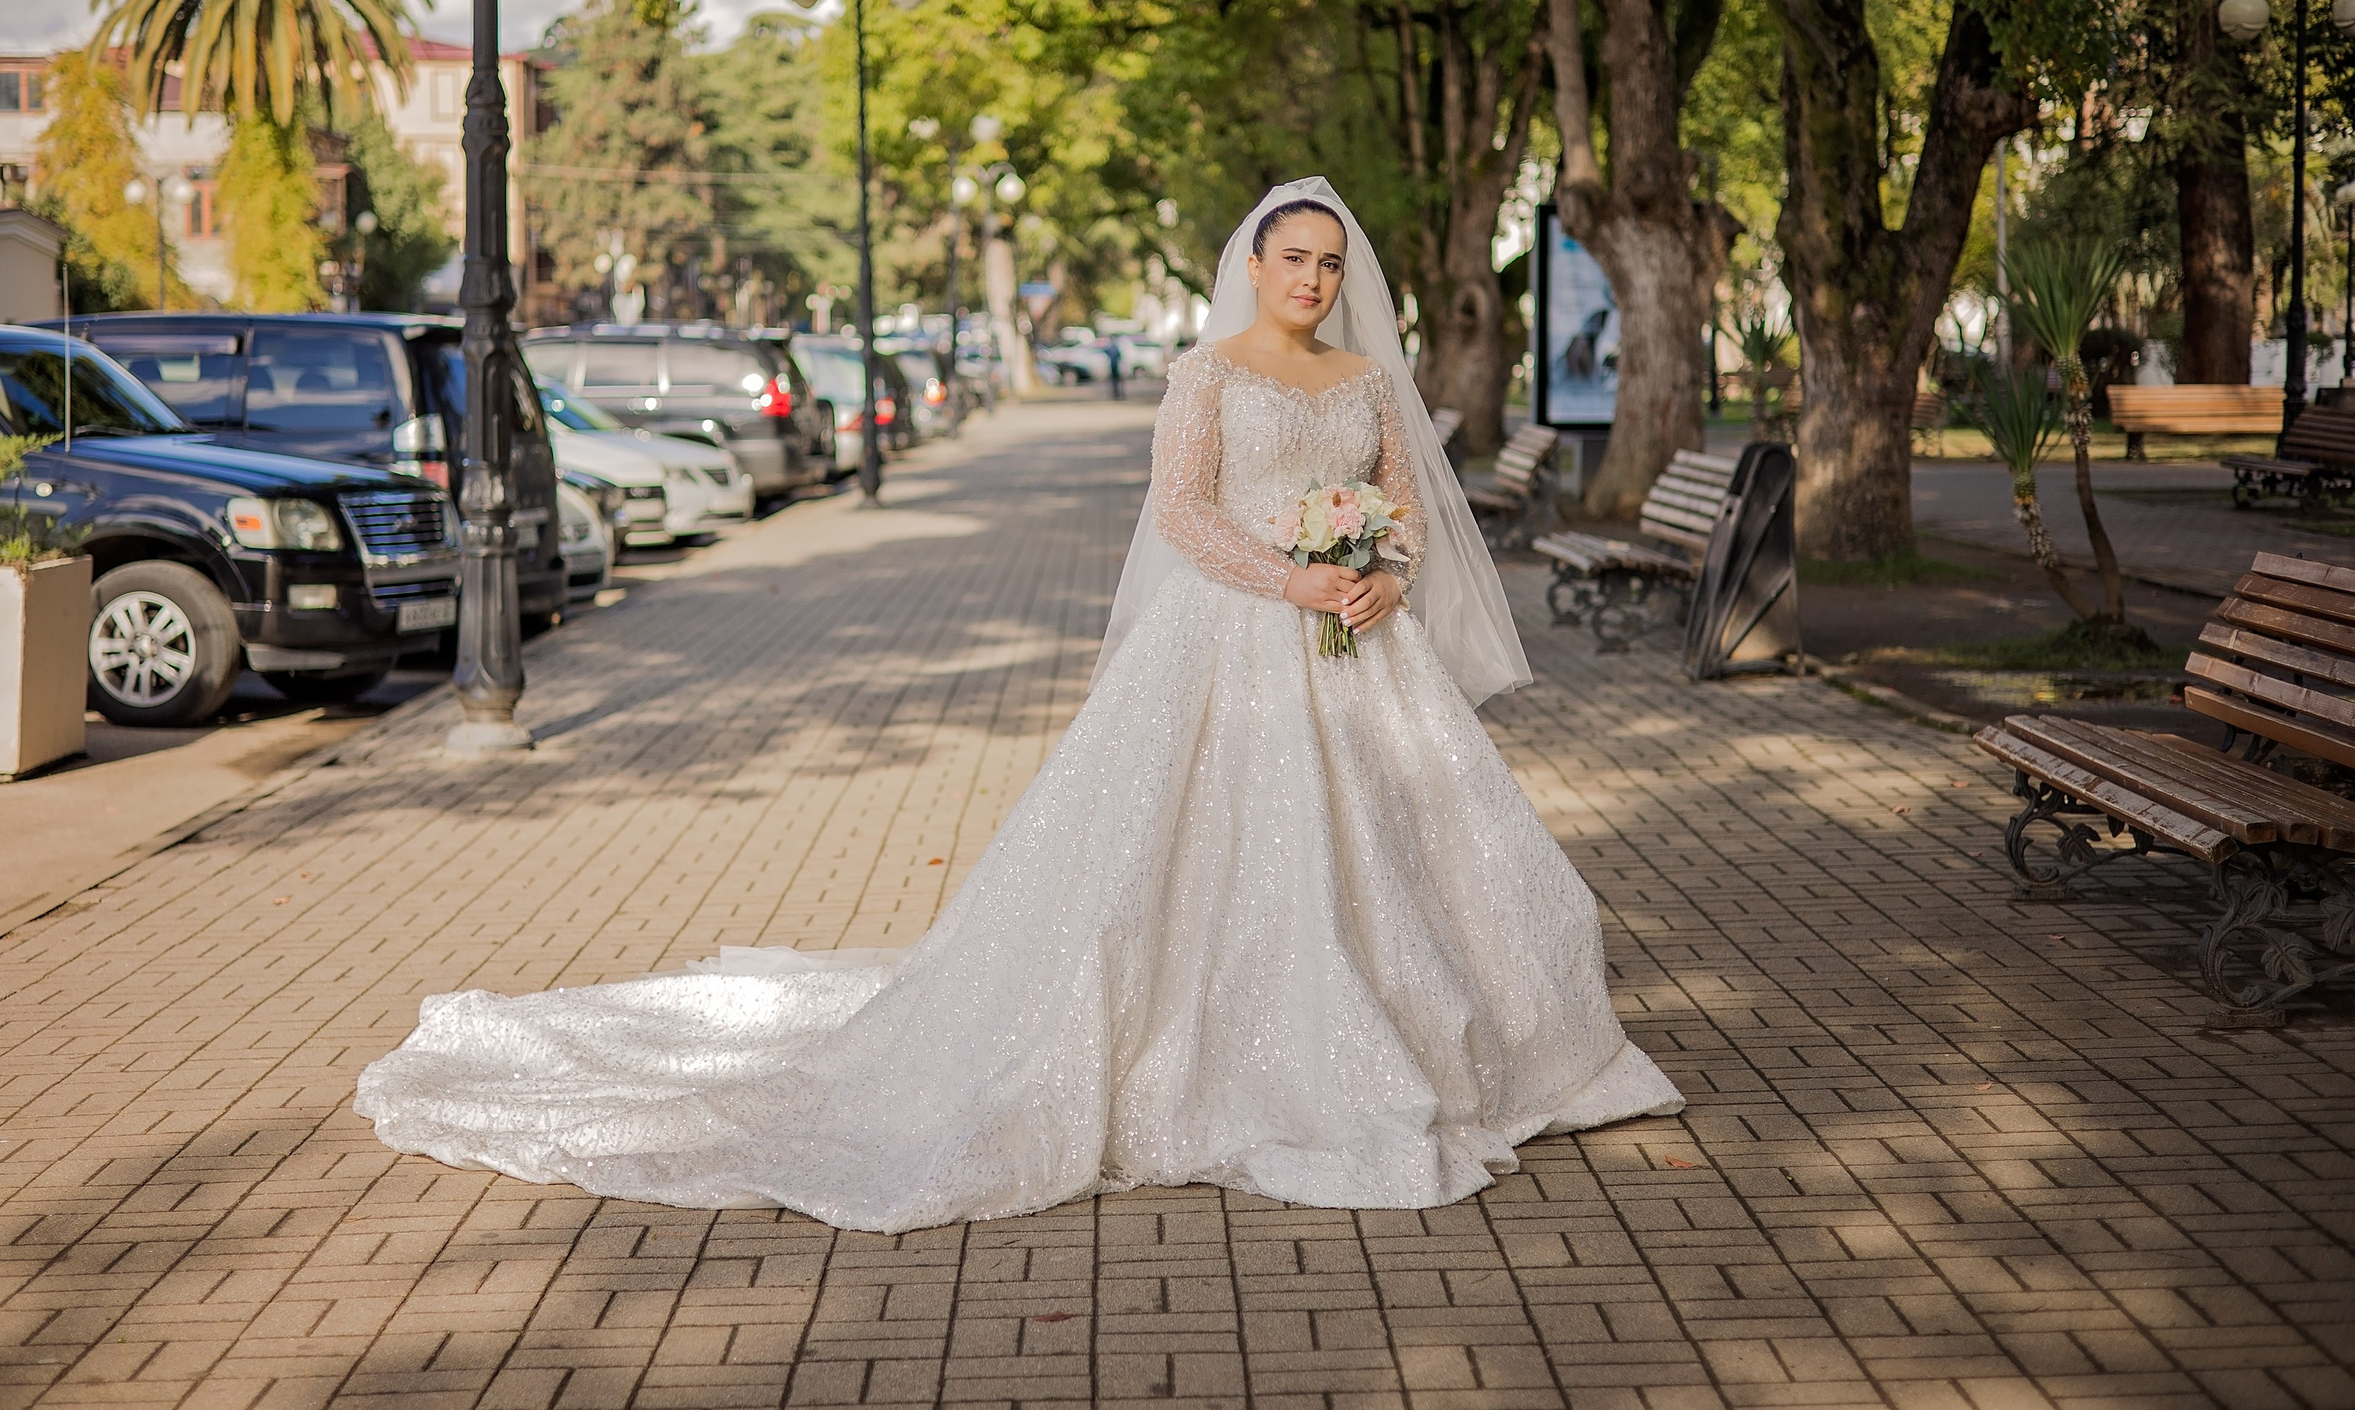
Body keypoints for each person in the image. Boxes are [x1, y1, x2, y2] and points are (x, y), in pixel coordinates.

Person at [355, 177, 1683, 1233]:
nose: (1315, 281)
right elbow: (1180, 512)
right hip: (1232, 636)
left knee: (1406, 845)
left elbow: (1403, 505)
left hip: (1357, 645)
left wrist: (1382, 576)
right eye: (1296, 260)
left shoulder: (1369, 382)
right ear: (1254, 264)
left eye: (1332, 264)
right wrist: (1294, 576)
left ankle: (1450, 1041)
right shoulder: (1207, 374)